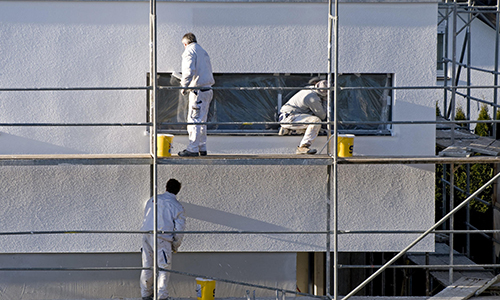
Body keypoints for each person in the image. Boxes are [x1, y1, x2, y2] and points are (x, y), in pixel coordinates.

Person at [140, 179, 186, 300]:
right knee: (163, 268)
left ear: (166, 187)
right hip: (162, 238)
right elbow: (179, 230)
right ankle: (161, 296)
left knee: (147, 265)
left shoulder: (152, 200)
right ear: (177, 191)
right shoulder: (177, 206)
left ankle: (146, 294)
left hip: (146, 235)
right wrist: (175, 245)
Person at [178, 32, 215, 157]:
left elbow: (188, 70)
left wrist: (184, 86)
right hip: (208, 90)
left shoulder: (189, 51)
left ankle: (192, 149)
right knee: (202, 120)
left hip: (197, 91)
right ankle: (202, 147)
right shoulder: (203, 51)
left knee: (194, 120)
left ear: (185, 43)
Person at [279, 80, 328, 155]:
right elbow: (322, 116)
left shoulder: (310, 88)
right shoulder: (312, 98)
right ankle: (303, 147)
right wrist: (325, 100)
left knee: (315, 127)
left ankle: (290, 130)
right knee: (316, 121)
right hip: (289, 117)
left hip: (288, 116)